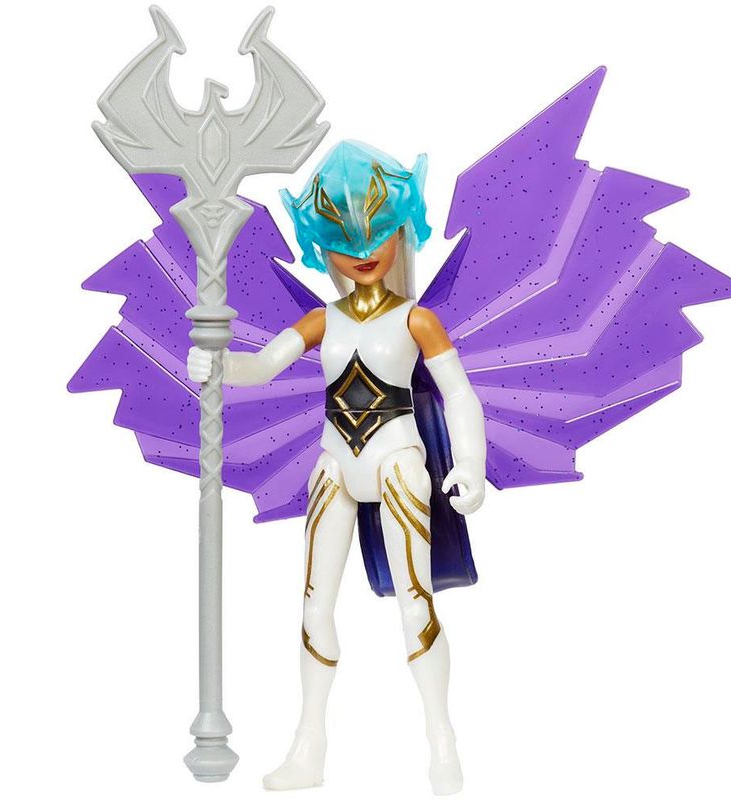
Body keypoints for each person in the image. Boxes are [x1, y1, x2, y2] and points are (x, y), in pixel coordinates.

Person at [187, 141, 486, 795]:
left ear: (401, 231)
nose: (364, 248)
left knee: (415, 602)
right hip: (334, 467)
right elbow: (260, 366)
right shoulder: (322, 320)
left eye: (378, 231)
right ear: (323, 245)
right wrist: (217, 363)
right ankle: (308, 746)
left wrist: (469, 463)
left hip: (399, 462)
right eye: (346, 238)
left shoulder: (417, 320)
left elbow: (459, 394)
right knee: (315, 606)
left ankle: (442, 741)